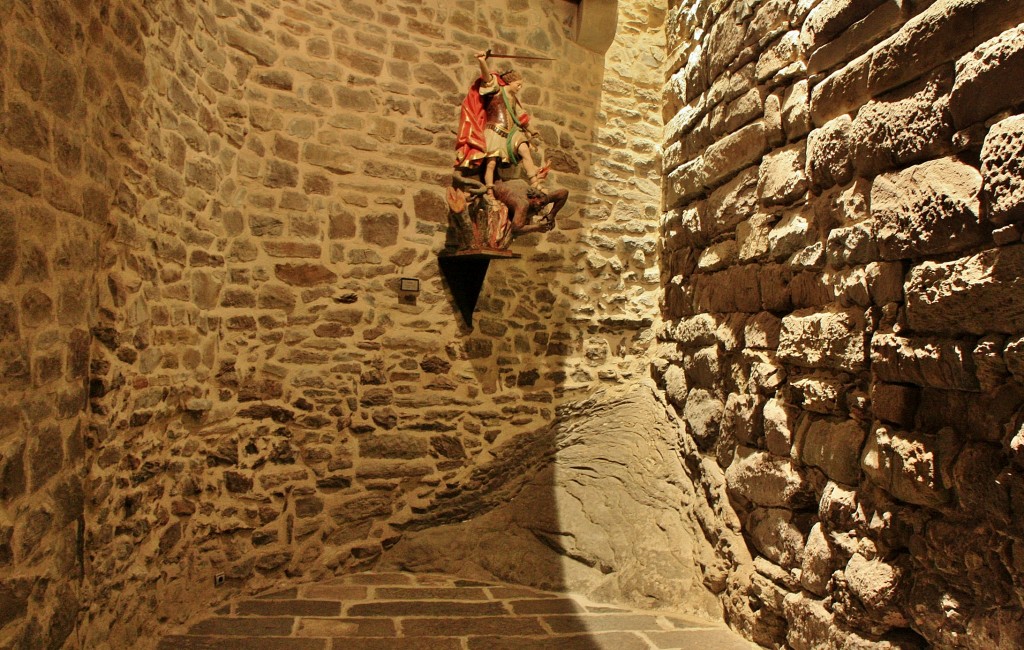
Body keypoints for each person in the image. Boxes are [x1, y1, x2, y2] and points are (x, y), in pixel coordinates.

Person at [454, 51, 547, 199]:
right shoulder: (496, 90)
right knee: (491, 164)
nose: (520, 87)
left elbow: (521, 117)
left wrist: (532, 130)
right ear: (510, 82)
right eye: (518, 84)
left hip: (512, 132)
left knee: (525, 150)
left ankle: (534, 182)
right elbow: (487, 78)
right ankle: (489, 190)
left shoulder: (514, 99)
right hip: (495, 131)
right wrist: (482, 62)